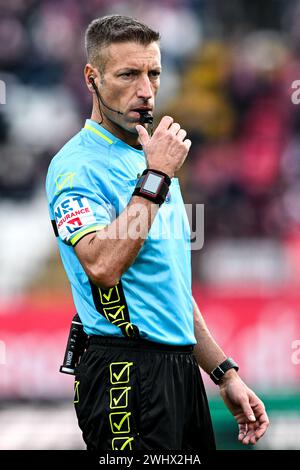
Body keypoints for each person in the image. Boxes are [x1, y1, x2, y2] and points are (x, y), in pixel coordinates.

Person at [46, 15, 269, 451]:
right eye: (128, 74)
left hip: (179, 374)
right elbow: (101, 265)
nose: (145, 91)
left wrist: (224, 372)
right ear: (92, 78)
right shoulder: (78, 167)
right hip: (124, 374)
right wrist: (155, 177)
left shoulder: (151, 161)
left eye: (154, 73)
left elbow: (171, 288)